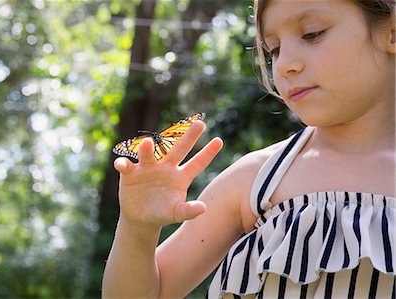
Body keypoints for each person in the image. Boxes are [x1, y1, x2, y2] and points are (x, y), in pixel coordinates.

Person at [102, 0, 396, 297]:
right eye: (274, 49)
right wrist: (137, 227)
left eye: (312, 34)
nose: (283, 65)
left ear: (392, 32)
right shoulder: (255, 180)